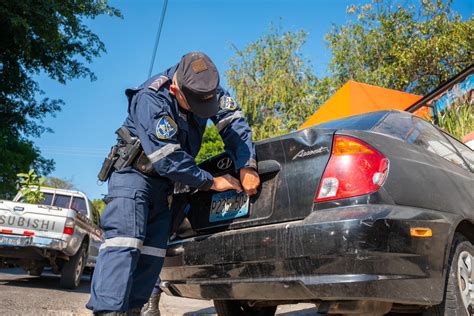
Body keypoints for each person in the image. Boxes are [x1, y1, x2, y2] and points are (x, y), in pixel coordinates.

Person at [86, 52, 260, 315]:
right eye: (193, 105)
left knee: (153, 253)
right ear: (177, 88)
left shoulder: (206, 87)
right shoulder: (151, 98)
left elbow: (233, 122)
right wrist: (212, 182)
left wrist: (247, 164)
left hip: (166, 186)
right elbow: (168, 160)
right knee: (125, 245)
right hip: (134, 179)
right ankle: (108, 312)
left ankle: (133, 310)